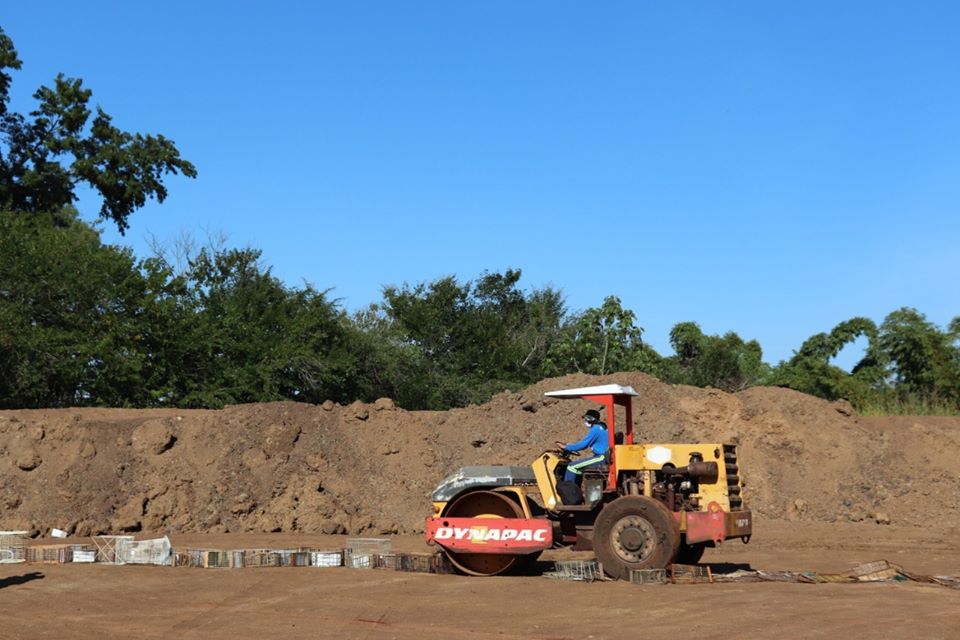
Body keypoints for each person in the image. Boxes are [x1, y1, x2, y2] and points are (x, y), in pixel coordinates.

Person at [556, 409, 609, 483]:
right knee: (578, 468)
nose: (585, 421)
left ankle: (568, 491)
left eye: (586, 419)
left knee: (571, 467)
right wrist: (569, 446)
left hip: (601, 457)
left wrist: (566, 447)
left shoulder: (596, 429)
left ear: (590, 419)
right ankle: (577, 489)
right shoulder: (602, 427)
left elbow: (583, 445)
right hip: (602, 457)